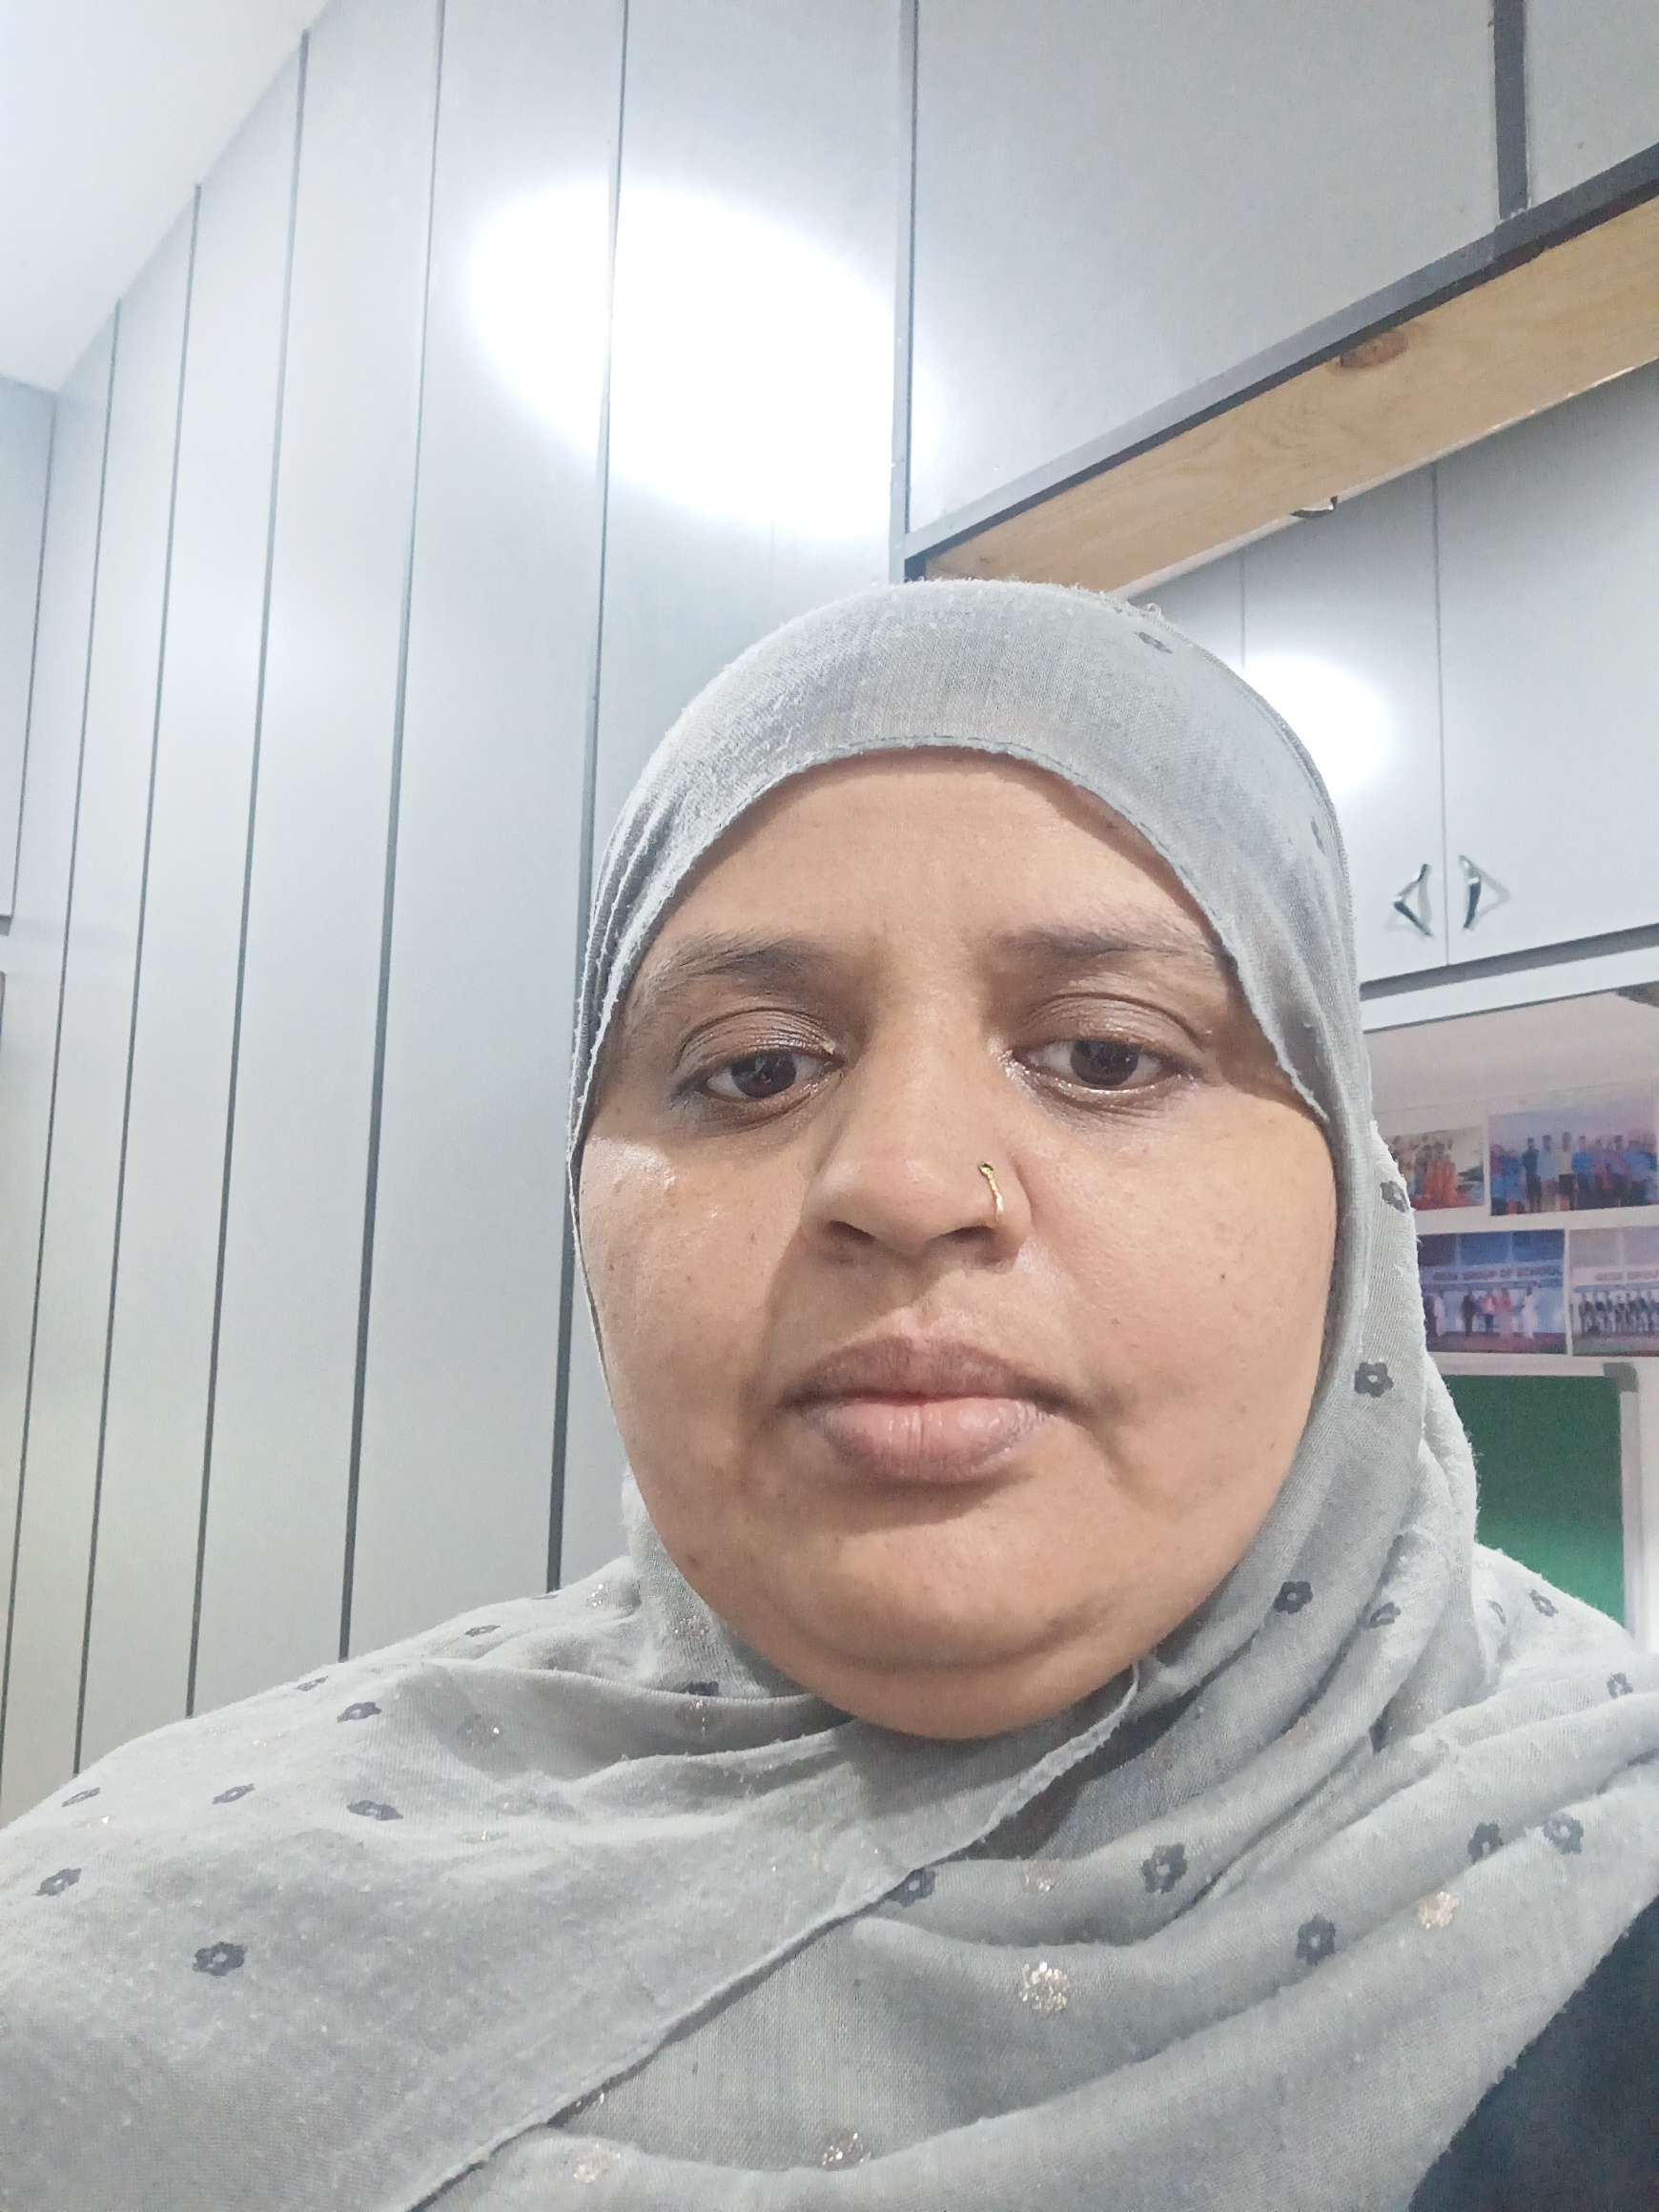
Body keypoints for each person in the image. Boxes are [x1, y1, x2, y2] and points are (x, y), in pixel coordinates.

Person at [1, 580, 1654, 2211]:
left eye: (1105, 1053)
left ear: (1353, 1199)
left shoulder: (1609, 1896)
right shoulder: (126, 1946)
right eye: (755, 1069)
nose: (907, 1184)